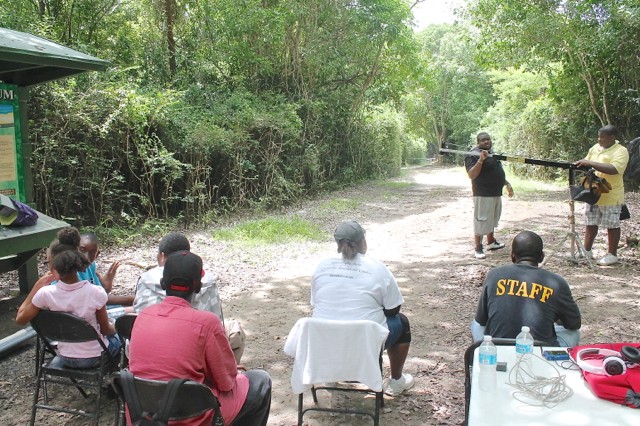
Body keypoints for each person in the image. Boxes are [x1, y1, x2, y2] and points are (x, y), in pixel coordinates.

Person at [128, 251, 271, 426]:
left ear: (164, 283)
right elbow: (226, 383)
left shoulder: (143, 317)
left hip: (143, 413)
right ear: (197, 287)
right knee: (261, 381)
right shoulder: (206, 323)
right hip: (191, 416)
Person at [311, 221, 414, 396]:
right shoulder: (377, 267)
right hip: (364, 344)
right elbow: (393, 310)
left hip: (325, 344)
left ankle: (332, 373)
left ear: (337, 243)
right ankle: (396, 381)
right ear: (362, 242)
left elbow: (316, 303)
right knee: (402, 322)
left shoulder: (322, 266)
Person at [16, 227, 121, 367]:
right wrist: (117, 327)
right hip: (95, 358)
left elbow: (20, 319)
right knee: (121, 335)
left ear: (55, 266)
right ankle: (116, 383)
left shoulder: (45, 293)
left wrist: (37, 286)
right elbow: (106, 330)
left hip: (65, 357)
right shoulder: (95, 292)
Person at [133, 232, 245, 362]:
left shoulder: (146, 284)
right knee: (231, 331)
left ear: (164, 284)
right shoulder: (207, 308)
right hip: (193, 355)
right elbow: (217, 327)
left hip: (145, 358)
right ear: (197, 287)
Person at [471, 231, 581, 347]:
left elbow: (482, 320)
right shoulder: (557, 282)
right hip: (541, 353)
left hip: (498, 349)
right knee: (574, 333)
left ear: (512, 255)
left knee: (476, 324)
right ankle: (561, 362)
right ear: (542, 257)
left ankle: (479, 357)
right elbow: (574, 324)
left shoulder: (494, 275)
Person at [575, 125, 630, 266]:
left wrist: (591, 163)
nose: (599, 140)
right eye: (598, 137)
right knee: (590, 222)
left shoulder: (621, 151)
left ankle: (612, 254)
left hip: (611, 195)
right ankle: (586, 250)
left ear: (612, 138)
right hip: (593, 193)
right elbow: (587, 163)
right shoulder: (595, 148)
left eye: (603, 137)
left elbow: (615, 169)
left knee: (611, 224)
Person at [465, 132, 514, 259]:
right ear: (478, 143)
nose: (487, 142)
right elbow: (472, 175)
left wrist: (507, 183)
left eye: (488, 139)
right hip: (483, 193)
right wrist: (481, 160)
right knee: (481, 220)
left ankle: (491, 242)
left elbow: (496, 172)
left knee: (492, 218)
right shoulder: (473, 155)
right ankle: (478, 248)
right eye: (483, 140)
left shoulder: (492, 153)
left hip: (496, 192)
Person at [79, 231, 135, 308]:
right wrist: (130, 299)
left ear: (97, 255)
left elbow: (101, 296)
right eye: (82, 250)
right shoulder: (71, 272)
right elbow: (98, 299)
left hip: (97, 307)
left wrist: (105, 288)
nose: (86, 256)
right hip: (88, 313)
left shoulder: (91, 266)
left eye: (92, 253)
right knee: (136, 310)